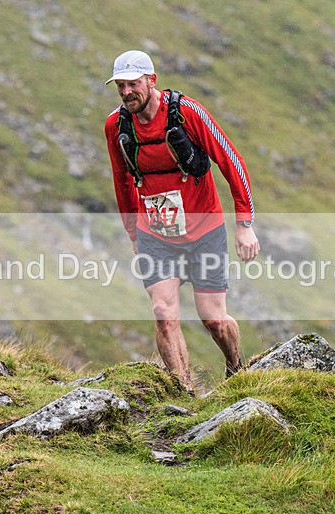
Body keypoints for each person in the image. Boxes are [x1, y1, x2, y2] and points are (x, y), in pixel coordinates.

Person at [103, 50, 259, 393]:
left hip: (205, 230)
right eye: (120, 86)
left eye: (133, 84)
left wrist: (244, 223)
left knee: (213, 319)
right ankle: (185, 394)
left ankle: (236, 368)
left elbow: (231, 160)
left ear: (151, 80)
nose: (127, 92)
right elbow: (121, 179)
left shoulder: (187, 113)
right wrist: (132, 231)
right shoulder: (116, 125)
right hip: (155, 233)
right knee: (163, 312)